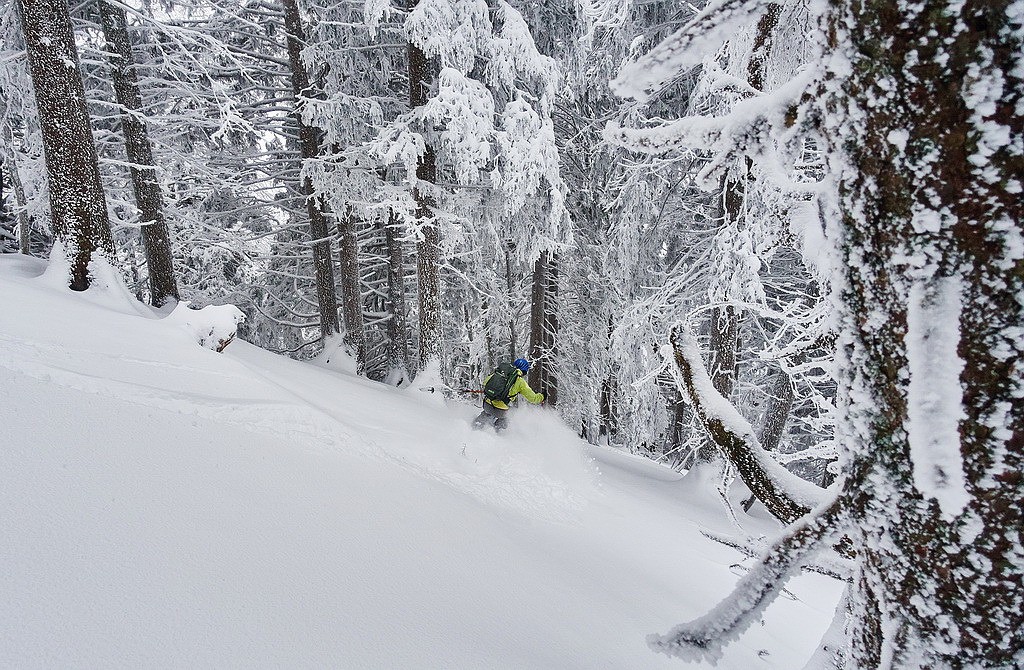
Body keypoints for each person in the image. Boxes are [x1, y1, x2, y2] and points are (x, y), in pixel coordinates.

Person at [472, 358, 544, 432]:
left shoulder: (500, 373)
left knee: (486, 415)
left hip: (487, 404)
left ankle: (473, 429)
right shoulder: (520, 382)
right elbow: (533, 398)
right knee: (508, 417)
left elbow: (485, 382)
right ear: (524, 370)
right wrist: (542, 396)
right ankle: (497, 434)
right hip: (500, 410)